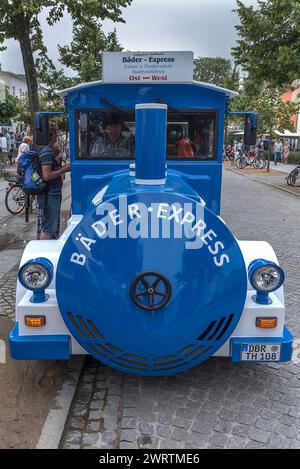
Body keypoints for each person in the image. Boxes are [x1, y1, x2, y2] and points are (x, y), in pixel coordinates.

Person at [37, 127, 70, 240]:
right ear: (50, 135)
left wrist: (64, 167)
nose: (57, 136)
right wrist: (65, 170)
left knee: (50, 225)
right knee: (49, 228)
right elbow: (47, 175)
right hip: (49, 194)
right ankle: (44, 252)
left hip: (49, 193)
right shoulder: (46, 151)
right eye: (56, 134)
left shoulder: (45, 149)